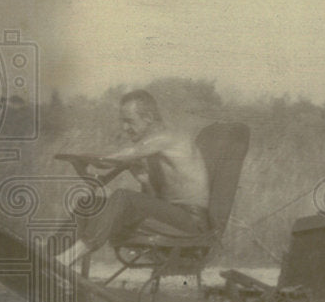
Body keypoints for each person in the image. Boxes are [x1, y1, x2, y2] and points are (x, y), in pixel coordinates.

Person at [56, 90, 210, 266]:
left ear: (149, 118)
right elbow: (154, 200)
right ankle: (50, 256)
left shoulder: (165, 137)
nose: (124, 128)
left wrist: (80, 157)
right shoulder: (151, 149)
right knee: (90, 204)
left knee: (124, 196)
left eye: (129, 121)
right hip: (172, 216)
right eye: (122, 121)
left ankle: (69, 257)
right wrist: (144, 182)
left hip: (191, 221)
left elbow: (107, 161)